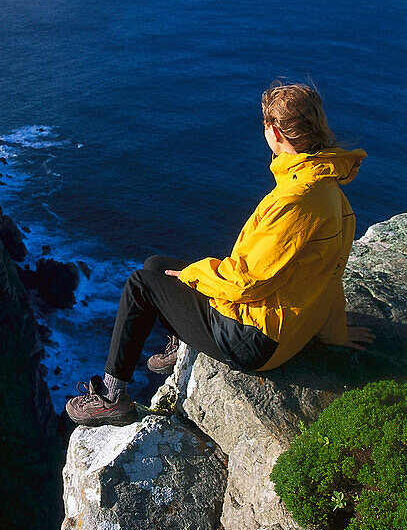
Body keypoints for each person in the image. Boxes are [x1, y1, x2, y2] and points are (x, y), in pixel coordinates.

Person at [66, 82, 374, 427]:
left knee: (142, 284)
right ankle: (181, 344)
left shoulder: (296, 199)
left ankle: (111, 398)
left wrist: (195, 275)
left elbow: (245, 282)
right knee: (157, 266)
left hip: (254, 339)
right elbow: (330, 271)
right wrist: (333, 332)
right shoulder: (328, 187)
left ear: (273, 133)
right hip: (281, 325)